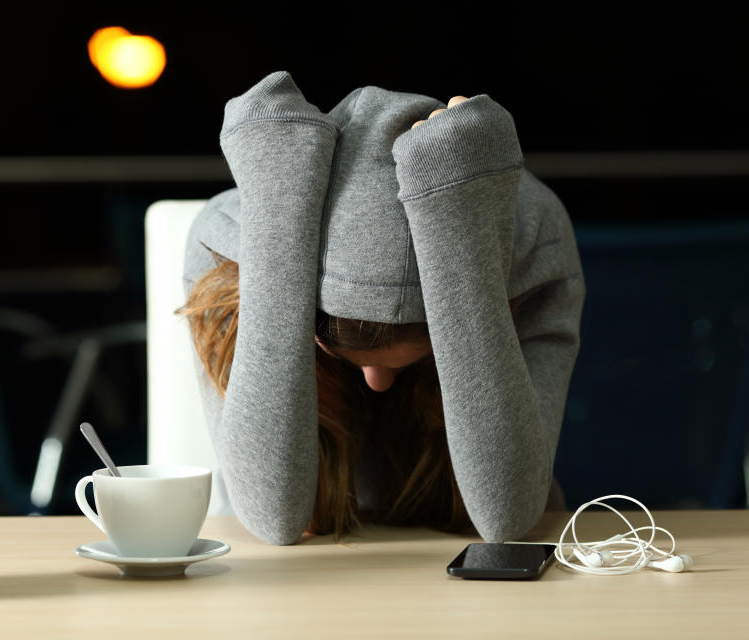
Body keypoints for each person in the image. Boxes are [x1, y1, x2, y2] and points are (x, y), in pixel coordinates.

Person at [180, 70, 585, 546]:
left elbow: (506, 517)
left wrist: (460, 239)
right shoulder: (228, 253)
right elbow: (273, 517)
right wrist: (280, 227)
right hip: (292, 584)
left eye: (419, 355)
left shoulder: (533, 248)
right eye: (345, 356)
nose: (376, 385)